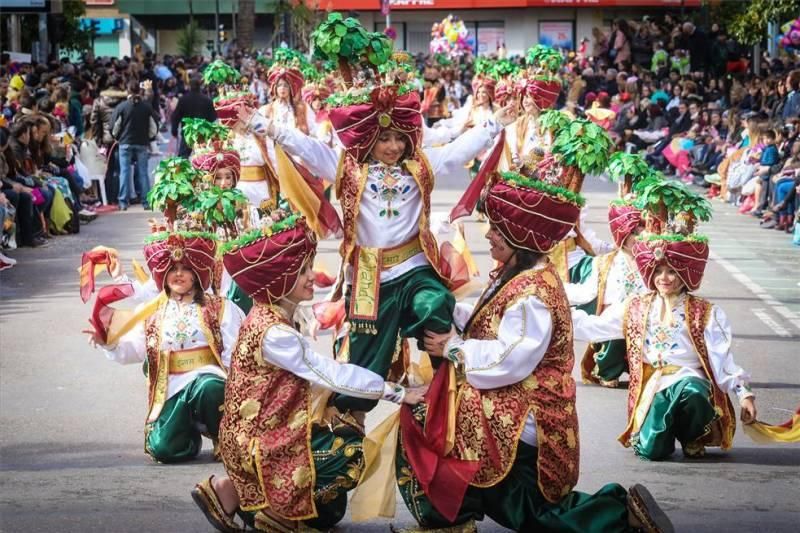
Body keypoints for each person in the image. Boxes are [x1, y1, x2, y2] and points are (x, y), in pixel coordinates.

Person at [396, 171, 674, 533]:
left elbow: (509, 359)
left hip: (527, 411)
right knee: (520, 500)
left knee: (525, 507)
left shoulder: (533, 294)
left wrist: (453, 348)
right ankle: (453, 515)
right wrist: (450, 313)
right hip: (515, 399)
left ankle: (618, 516)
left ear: (520, 239)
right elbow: (490, 320)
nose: (488, 236)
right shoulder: (517, 273)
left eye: (496, 230)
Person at [240, 77, 517, 420]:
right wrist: (262, 124)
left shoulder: (419, 166)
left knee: (434, 303)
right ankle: (348, 429)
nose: (393, 146)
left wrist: (494, 124)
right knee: (367, 359)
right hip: (369, 274)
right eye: (385, 138)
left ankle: (445, 393)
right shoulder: (347, 168)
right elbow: (307, 148)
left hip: (414, 266)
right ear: (369, 137)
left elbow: (456, 151)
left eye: (400, 138)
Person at [191, 212, 426, 532]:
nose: (312, 276)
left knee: (330, 506)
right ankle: (277, 515)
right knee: (350, 453)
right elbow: (329, 373)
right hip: (262, 445)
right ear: (280, 281)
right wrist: (398, 392)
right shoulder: (276, 334)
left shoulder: (266, 316)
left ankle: (226, 493)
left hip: (253, 439)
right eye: (302, 271)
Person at [572, 201, 757, 461]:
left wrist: (744, 394)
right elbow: (595, 326)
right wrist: (558, 313)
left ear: (684, 274)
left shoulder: (705, 312)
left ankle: (693, 435)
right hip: (654, 385)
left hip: (690, 379)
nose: (664, 278)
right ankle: (660, 430)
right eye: (658, 271)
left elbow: (722, 359)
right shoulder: (636, 306)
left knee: (691, 391)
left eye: (672, 271)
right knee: (652, 451)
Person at [86, 230, 244, 463]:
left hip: (209, 378)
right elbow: (134, 351)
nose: (178, 274)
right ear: (162, 274)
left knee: (209, 387)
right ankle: (188, 430)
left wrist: (237, 391)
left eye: (185, 269)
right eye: (172, 269)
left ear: (197, 274)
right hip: (170, 386)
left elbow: (234, 352)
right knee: (164, 450)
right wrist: (107, 344)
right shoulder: (150, 311)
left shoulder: (220, 307)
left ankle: (224, 435)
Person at [566, 199, 647, 388]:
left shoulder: (650, 264)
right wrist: (558, 290)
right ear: (622, 235)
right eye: (633, 233)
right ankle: (609, 371)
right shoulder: (604, 262)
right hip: (613, 314)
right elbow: (587, 292)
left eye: (642, 233)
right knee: (613, 325)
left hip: (643, 314)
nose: (638, 238)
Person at [111, 80, 157, 210]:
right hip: (142, 143)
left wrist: (117, 137)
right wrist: (149, 138)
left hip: (125, 143)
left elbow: (115, 126)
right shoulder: (146, 107)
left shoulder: (122, 107)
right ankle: (146, 201)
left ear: (128, 91)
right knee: (143, 172)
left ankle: (123, 202)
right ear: (139, 91)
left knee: (124, 172)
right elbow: (153, 127)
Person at [171, 75, 217, 157]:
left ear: (189, 86)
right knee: (203, 157)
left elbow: (176, 116)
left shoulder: (183, 99)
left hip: (188, 132)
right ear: (200, 86)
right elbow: (213, 117)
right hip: (202, 132)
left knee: (183, 157)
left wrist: (174, 130)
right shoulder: (207, 100)